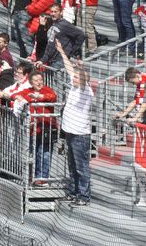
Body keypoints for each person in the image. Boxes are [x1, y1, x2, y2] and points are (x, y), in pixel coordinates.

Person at [56, 40, 93, 207]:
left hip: (80, 135)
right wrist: (62, 52)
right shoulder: (74, 87)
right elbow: (70, 69)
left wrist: (82, 68)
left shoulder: (86, 90)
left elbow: (83, 78)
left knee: (81, 167)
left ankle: (84, 196)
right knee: (71, 166)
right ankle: (73, 192)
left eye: (77, 77)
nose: (74, 78)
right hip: (70, 132)